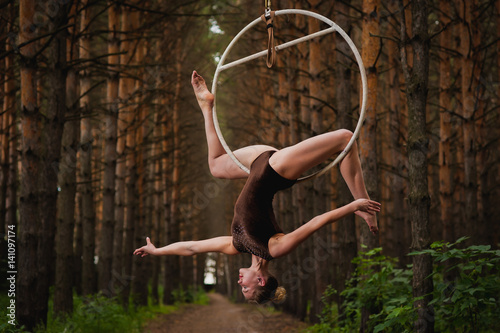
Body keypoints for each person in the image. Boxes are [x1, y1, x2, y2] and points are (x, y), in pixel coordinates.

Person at [133, 71, 381, 304]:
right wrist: (353, 206)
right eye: (246, 288)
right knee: (345, 138)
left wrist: (158, 251)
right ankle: (366, 205)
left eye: (241, 289)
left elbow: (192, 247)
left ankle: (206, 105)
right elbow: (316, 222)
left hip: (256, 164)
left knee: (217, 167)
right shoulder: (274, 248)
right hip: (276, 169)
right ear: (261, 280)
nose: (240, 283)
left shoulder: (237, 245)